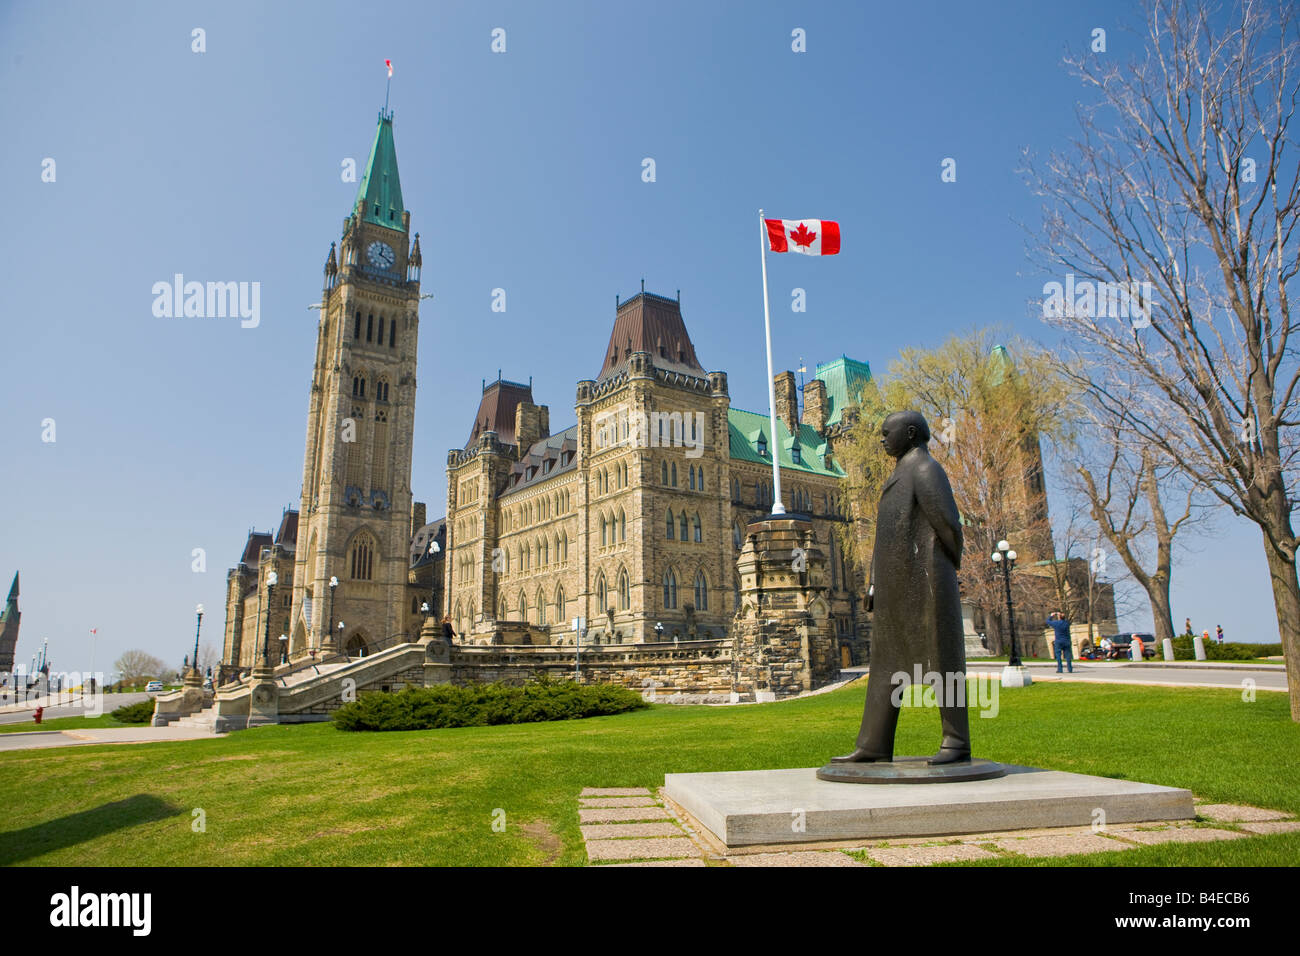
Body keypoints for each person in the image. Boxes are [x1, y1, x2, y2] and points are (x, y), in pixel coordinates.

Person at [832, 410, 969, 766]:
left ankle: (955, 740)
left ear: (909, 433)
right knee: (886, 666)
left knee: (942, 661)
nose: (880, 439)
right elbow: (884, 537)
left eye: (885, 432)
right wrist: (875, 581)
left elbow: (949, 525)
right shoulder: (898, 473)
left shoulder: (925, 469)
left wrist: (943, 567)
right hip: (895, 587)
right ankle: (874, 743)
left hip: (925, 582)